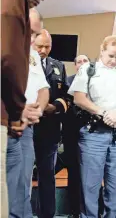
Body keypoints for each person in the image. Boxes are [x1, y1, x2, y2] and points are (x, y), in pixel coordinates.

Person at [68, 36, 116, 217]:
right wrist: (104, 113)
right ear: (101, 51)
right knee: (90, 187)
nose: (114, 60)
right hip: (94, 135)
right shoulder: (87, 69)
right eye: (110, 56)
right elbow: (79, 98)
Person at [1, 0, 50, 214]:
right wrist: (19, 107)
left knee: (18, 191)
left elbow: (43, 89)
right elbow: (6, 61)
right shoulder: (9, 5)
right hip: (8, 117)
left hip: (18, 121)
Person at [6, 8, 49, 218]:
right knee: (7, 186)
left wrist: (38, 109)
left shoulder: (32, 55)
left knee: (23, 184)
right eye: (29, 32)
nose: (31, 39)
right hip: (5, 126)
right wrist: (18, 108)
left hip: (27, 128)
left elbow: (43, 89)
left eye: (35, 34)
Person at [31, 29, 69, 218]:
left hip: (50, 129)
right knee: (22, 177)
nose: (43, 50)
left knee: (47, 177)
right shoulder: (24, 63)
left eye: (47, 46)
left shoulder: (58, 66)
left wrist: (54, 107)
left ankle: (47, 215)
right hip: (27, 127)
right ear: (32, 44)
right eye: (40, 46)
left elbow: (66, 97)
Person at [63, 54, 90, 218]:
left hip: (91, 132)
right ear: (75, 66)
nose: (82, 64)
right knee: (73, 172)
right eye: (78, 62)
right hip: (71, 132)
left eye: (85, 61)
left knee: (90, 173)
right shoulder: (68, 81)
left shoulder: (95, 80)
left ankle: (89, 209)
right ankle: (74, 211)